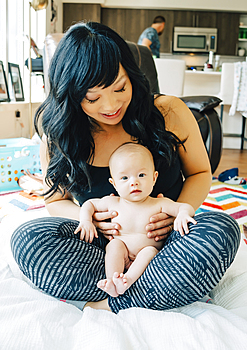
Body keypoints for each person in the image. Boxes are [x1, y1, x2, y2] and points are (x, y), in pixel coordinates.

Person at [11, 21, 240, 314]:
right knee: (27, 239)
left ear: (131, 75)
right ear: (70, 94)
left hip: (168, 244)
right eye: (92, 97)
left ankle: (114, 301)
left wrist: (177, 215)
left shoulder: (168, 112)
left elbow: (200, 173)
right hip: (102, 249)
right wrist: (92, 221)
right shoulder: (60, 136)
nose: (111, 105)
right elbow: (55, 201)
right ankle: (150, 286)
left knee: (222, 229)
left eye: (120, 87)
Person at [75, 142, 197, 297]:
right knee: (114, 246)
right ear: (114, 184)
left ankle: (127, 280)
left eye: (141, 175)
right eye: (124, 178)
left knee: (149, 251)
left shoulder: (159, 203)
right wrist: (85, 220)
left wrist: (182, 215)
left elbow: (185, 207)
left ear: (154, 178)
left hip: (148, 260)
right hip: (123, 253)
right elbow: (89, 204)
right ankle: (112, 280)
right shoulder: (113, 202)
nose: (134, 182)